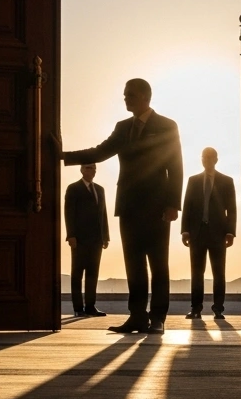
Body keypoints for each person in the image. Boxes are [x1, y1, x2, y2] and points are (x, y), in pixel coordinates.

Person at [57, 78, 183, 334]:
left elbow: (176, 166)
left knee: (159, 264)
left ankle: (157, 317)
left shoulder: (167, 126)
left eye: (130, 95)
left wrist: (173, 204)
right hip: (128, 206)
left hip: (158, 207)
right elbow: (100, 152)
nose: (125, 99)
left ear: (145, 97)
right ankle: (137, 316)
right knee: (133, 264)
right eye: (125, 95)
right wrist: (63, 156)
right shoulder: (123, 127)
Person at [181, 147, 237, 319]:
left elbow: (232, 209)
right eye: (204, 157)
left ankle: (218, 308)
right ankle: (196, 308)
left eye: (210, 157)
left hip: (218, 233)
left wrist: (230, 232)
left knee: (218, 273)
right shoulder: (193, 181)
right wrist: (184, 230)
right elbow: (187, 207)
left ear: (216, 159)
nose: (207, 160)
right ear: (201, 159)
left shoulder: (227, 181)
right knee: (196, 273)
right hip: (197, 232)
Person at [64, 163, 109, 317]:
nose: (92, 171)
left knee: (93, 273)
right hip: (79, 239)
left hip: (96, 239)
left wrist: (105, 236)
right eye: (89, 167)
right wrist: (71, 235)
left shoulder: (100, 190)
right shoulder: (73, 188)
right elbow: (69, 212)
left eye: (94, 168)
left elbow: (103, 214)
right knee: (77, 273)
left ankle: (90, 306)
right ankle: (78, 307)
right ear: (82, 169)